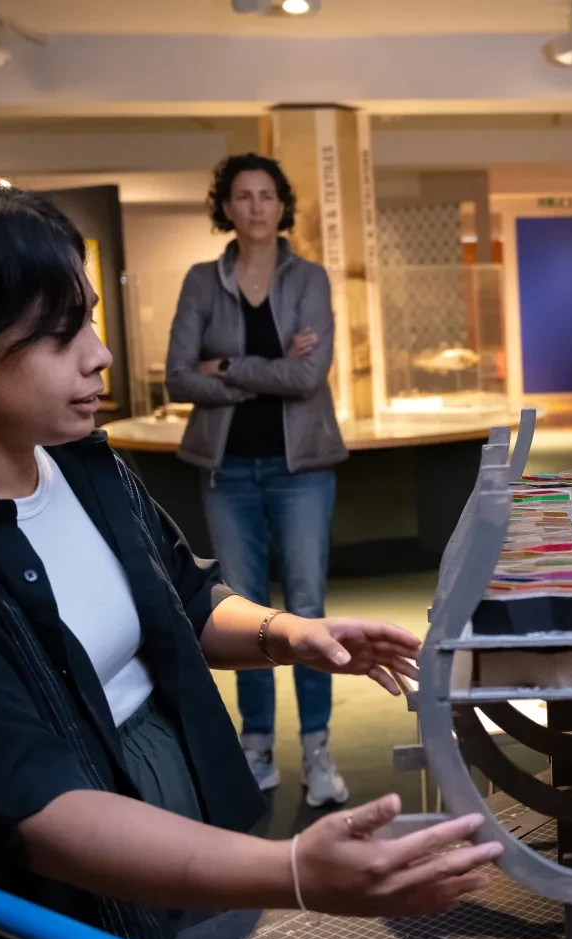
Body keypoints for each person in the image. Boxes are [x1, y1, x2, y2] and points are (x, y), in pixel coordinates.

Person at [0, 180, 502, 939]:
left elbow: (182, 594)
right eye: (59, 335)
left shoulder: (81, 466)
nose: (101, 355)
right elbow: (42, 815)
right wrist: (294, 871)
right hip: (63, 919)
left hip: (184, 856)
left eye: (91, 321)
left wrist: (290, 633)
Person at [166, 153, 348, 803]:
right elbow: (179, 376)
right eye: (242, 196)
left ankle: (319, 750)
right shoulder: (199, 281)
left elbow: (306, 378)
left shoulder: (309, 278)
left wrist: (229, 368)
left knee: (306, 607)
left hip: (303, 470)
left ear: (281, 204)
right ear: (227, 206)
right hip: (228, 470)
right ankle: (258, 745)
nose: (256, 206)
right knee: (242, 612)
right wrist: (264, 366)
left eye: (266, 194)